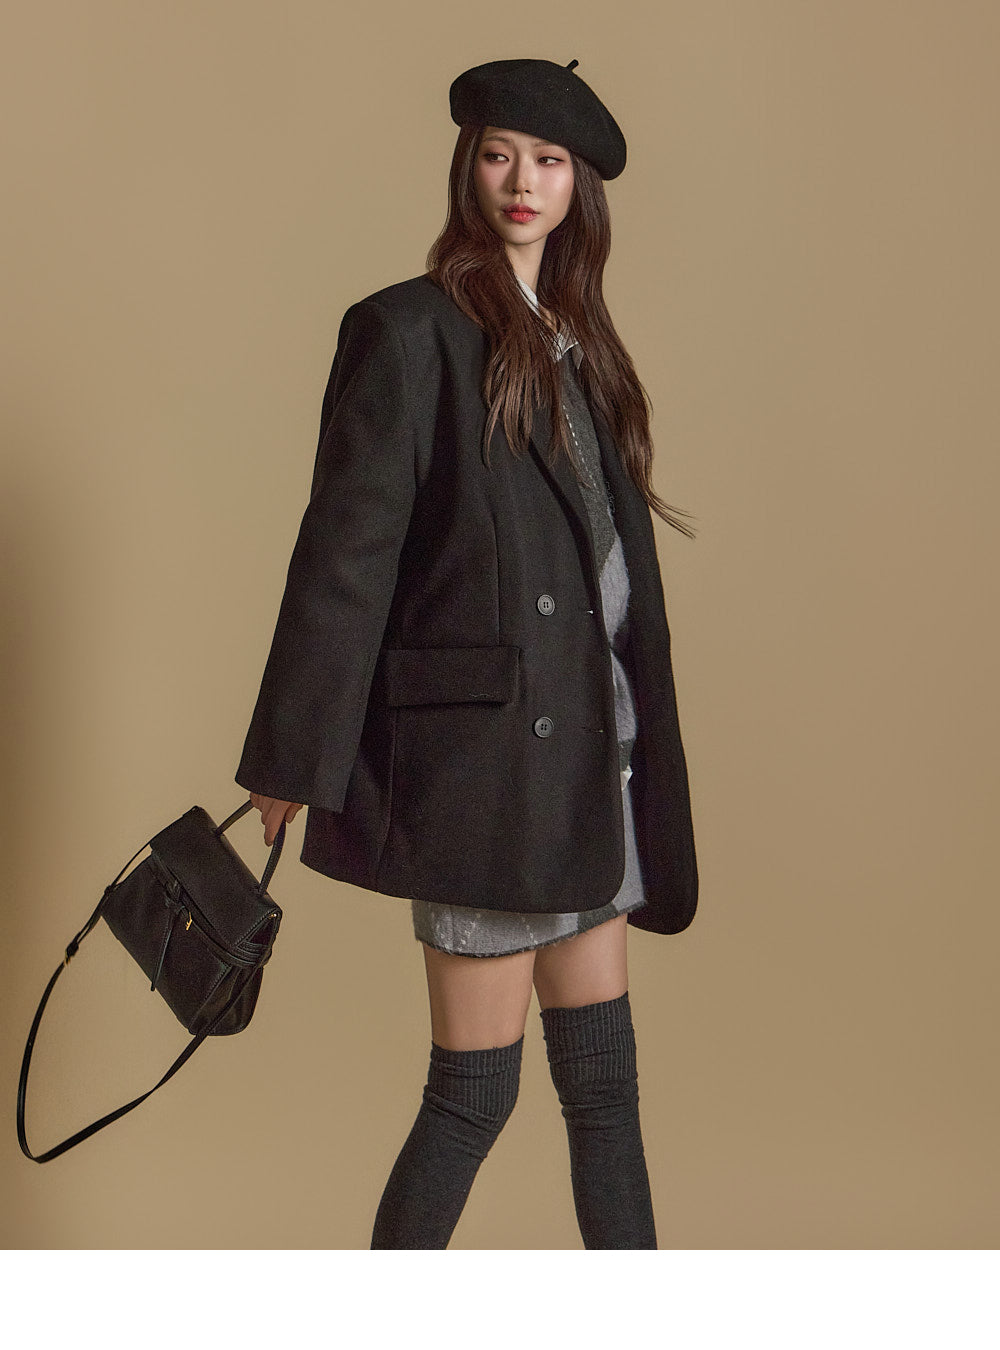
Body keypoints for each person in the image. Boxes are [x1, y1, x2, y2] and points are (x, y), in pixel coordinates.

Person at [236, 56, 699, 1249]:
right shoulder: (406, 332)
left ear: (580, 186)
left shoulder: (578, 344)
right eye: (499, 154)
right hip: (487, 774)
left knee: (605, 1094)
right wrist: (293, 753)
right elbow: (346, 557)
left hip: (591, 761)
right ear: (467, 166)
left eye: (548, 161)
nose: (521, 181)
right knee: (472, 1096)